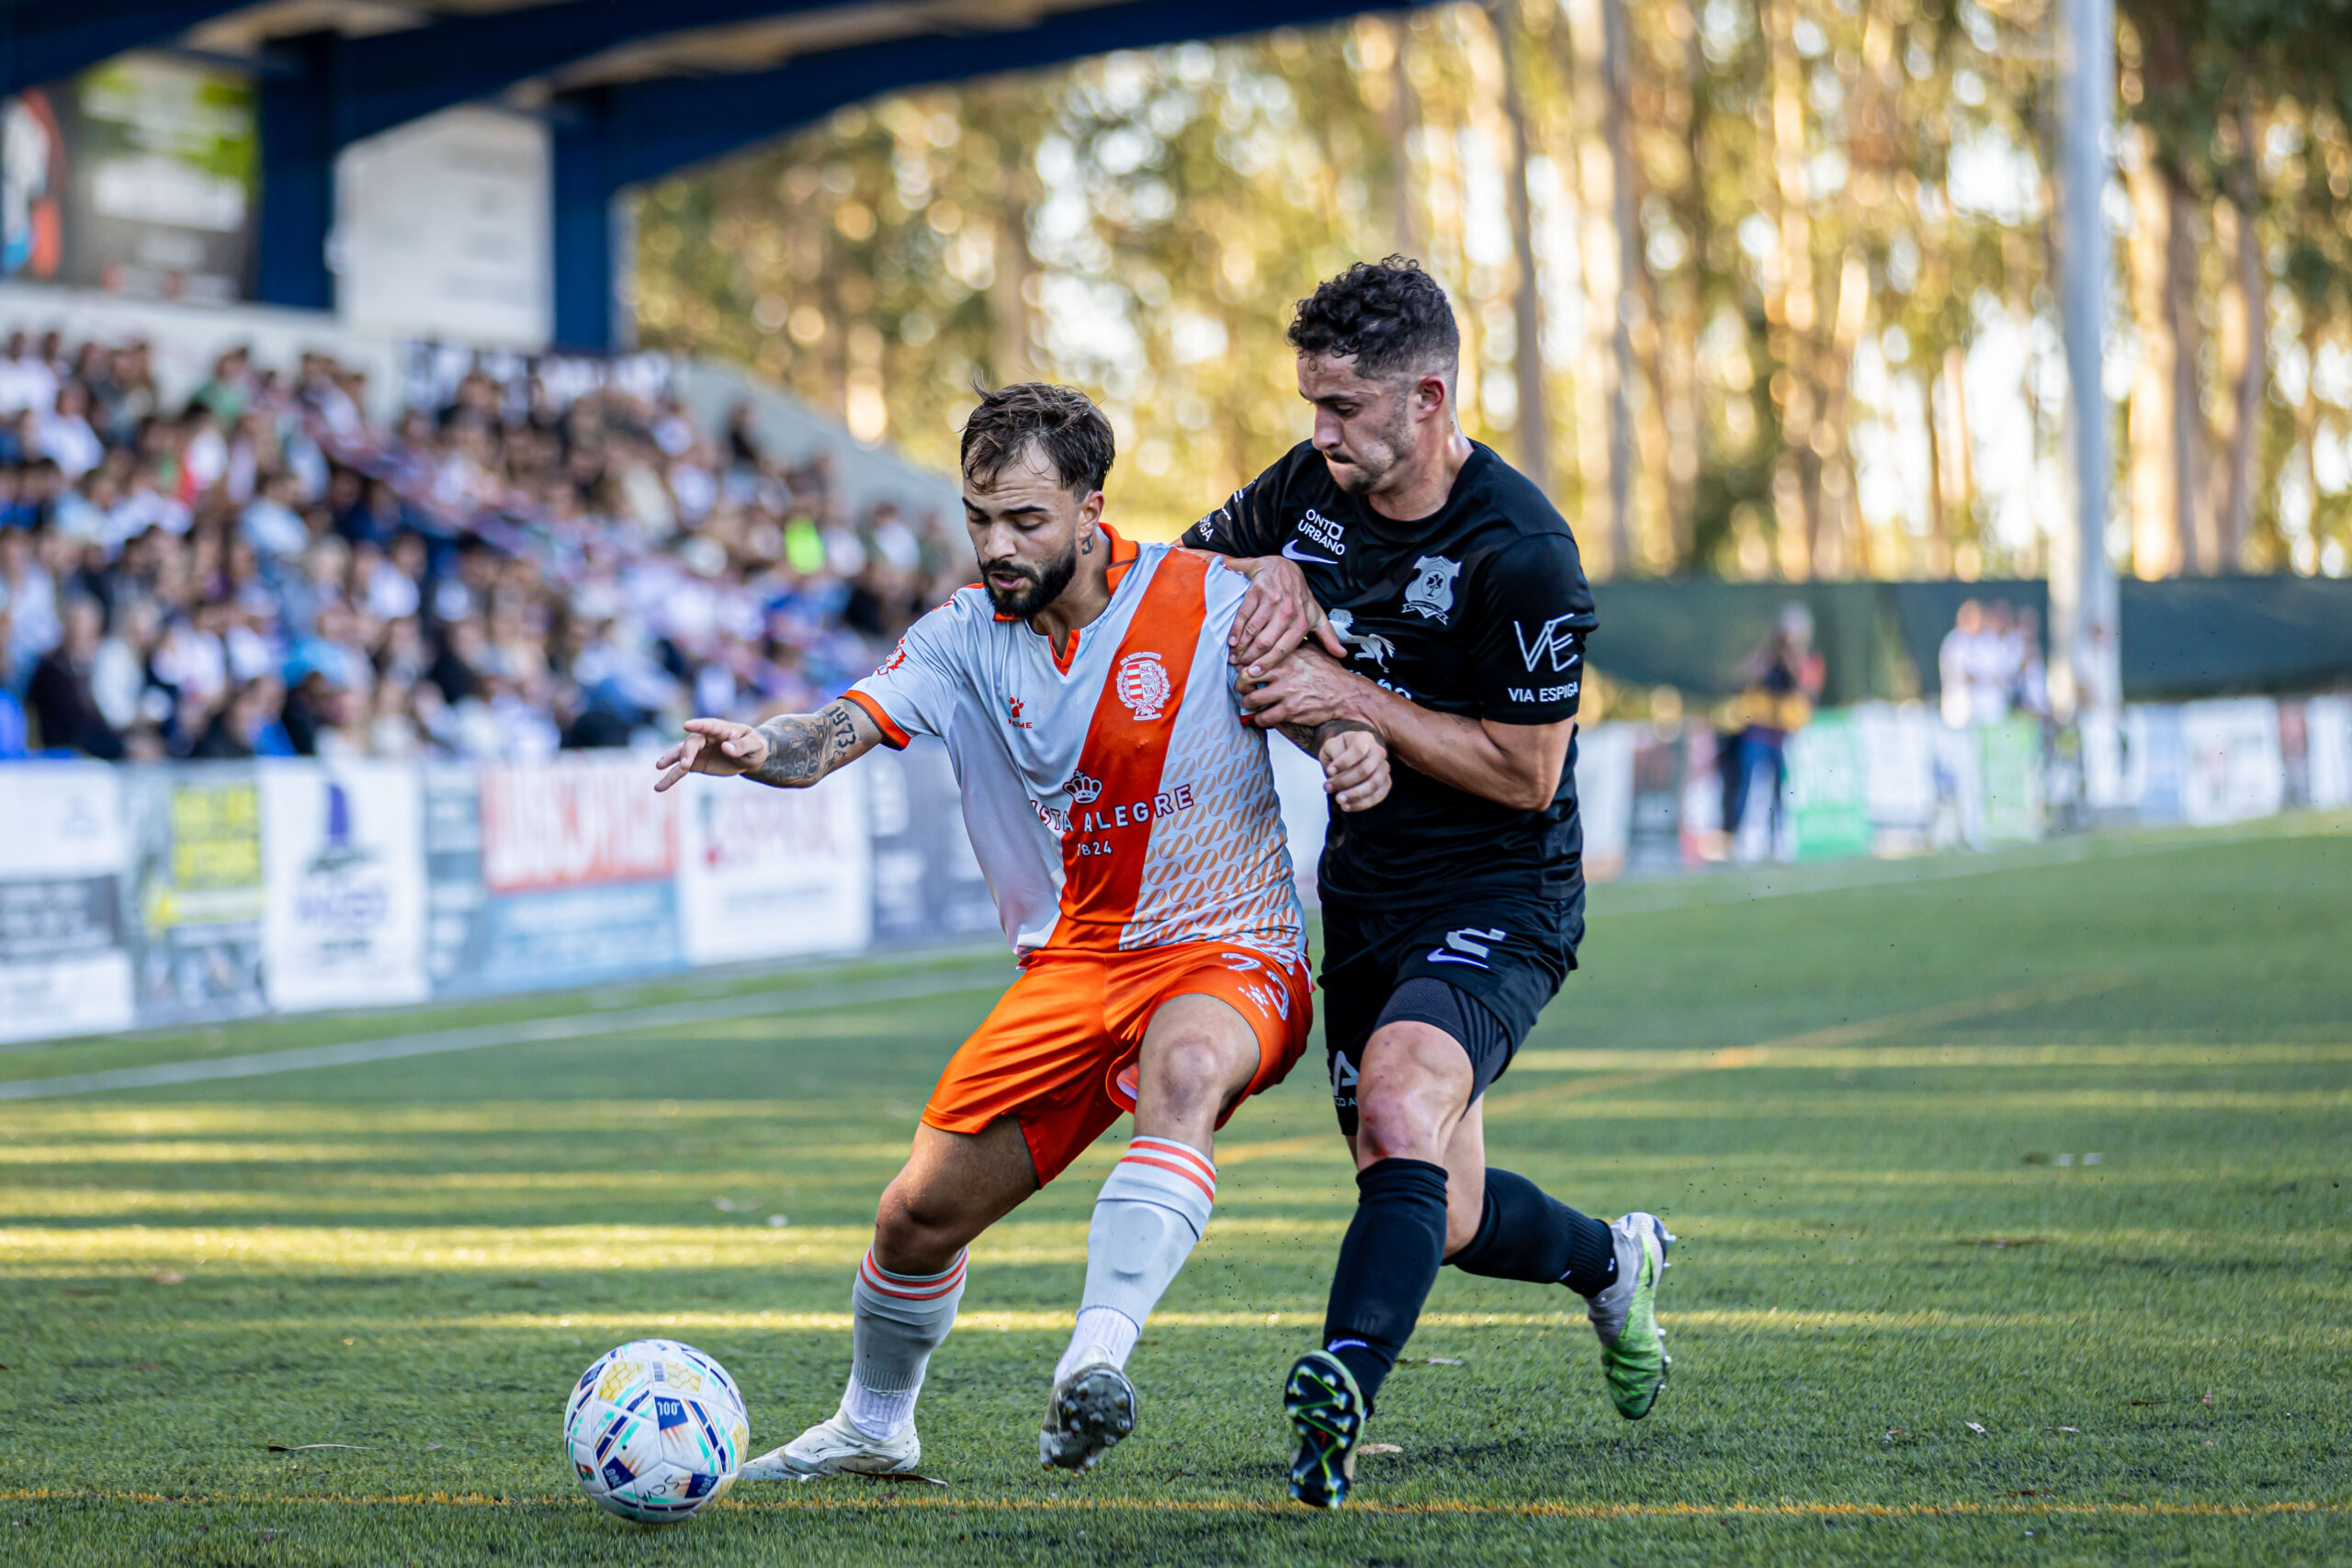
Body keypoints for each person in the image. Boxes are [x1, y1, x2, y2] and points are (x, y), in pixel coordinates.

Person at [651, 382, 1392, 1481]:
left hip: (1226, 949)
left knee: (1185, 1071)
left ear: (1094, 511)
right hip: (1069, 970)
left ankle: (1092, 1367)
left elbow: (1325, 703)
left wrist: (1347, 742)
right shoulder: (961, 638)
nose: (996, 545)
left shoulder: (1211, 600)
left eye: (1025, 522)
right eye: (978, 517)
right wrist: (765, 748)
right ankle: (873, 1426)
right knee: (914, 1221)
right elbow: (835, 731)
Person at [1177, 257, 1673, 1507]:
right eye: (1309, 403)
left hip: (1503, 893)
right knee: (1436, 1206)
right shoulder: (1310, 485)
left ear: (1428, 398)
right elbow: (1172, 580)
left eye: (1342, 407)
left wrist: (1350, 700)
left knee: (1402, 1094)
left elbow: (1521, 772)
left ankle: (1339, 1387)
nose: (1318, 431)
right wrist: (1257, 572)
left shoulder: (1524, 553)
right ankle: (1612, 1260)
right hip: (1369, 896)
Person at [1717, 603, 1823, 856]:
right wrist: (1767, 660)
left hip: (1786, 734)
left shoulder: (1808, 660)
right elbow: (1744, 676)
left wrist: (1792, 663)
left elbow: (1808, 693)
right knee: (1749, 783)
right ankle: (1740, 838)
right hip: (1758, 729)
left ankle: (1778, 839)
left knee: (1781, 790)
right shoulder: (1766, 656)